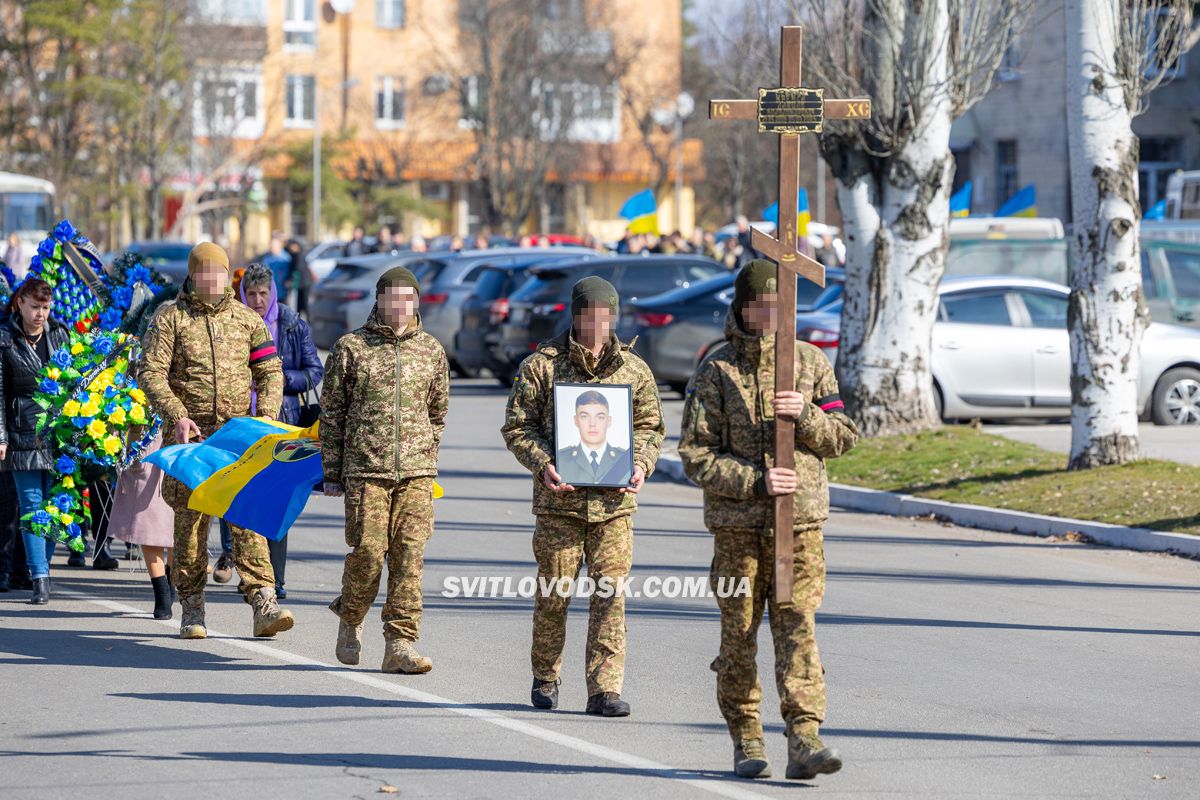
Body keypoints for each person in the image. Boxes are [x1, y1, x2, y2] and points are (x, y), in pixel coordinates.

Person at [678, 259, 858, 782]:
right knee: (738, 633)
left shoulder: (809, 362)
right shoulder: (717, 369)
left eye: (776, 305)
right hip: (738, 531)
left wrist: (806, 413)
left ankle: (805, 735)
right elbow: (695, 454)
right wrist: (755, 481)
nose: (766, 314)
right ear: (740, 306)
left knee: (798, 627)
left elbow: (843, 436)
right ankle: (746, 737)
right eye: (757, 305)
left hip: (799, 527)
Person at [502, 276, 664, 717]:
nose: (598, 323)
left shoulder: (634, 369)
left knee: (611, 596)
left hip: (614, 507)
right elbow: (518, 426)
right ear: (575, 315)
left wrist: (642, 463)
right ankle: (546, 676)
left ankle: (604, 689)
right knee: (555, 593)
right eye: (589, 314)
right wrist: (542, 463)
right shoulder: (543, 365)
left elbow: (650, 427)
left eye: (605, 315)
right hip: (561, 504)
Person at [140, 242, 294, 640]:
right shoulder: (170, 318)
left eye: (219, 272)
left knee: (247, 518)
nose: (212, 279)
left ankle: (263, 601)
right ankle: (192, 608)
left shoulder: (246, 320)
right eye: (204, 272)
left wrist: (266, 416)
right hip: (190, 440)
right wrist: (177, 415)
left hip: (236, 439)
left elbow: (270, 370)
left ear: (228, 275)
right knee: (190, 527)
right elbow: (151, 372)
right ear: (193, 275)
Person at [320, 266, 449, 674]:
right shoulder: (351, 348)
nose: (399, 305)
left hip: (416, 472)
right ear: (378, 301)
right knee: (369, 554)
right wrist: (333, 471)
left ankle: (400, 643)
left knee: (410, 557)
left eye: (406, 298)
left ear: (415, 302)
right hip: (365, 470)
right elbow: (333, 413)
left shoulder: (431, 350)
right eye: (391, 297)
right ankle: (351, 616)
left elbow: (438, 410)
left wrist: (425, 453)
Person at [238, 262, 324, 599]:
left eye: (263, 293)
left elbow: (314, 371)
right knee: (241, 493)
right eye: (252, 294)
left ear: (273, 292)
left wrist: (281, 380)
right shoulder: (234, 322)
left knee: (278, 498)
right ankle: (243, 566)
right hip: (243, 421)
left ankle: (276, 577)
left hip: (283, 422)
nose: (258, 300)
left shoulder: (291, 323)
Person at [0, 277, 71, 604]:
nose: (40, 313)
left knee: (56, 508)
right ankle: (39, 577)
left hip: (59, 432)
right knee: (32, 508)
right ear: (20, 304)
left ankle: (43, 566)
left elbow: (75, 381)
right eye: (34, 307)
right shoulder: (5, 340)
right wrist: (1, 436)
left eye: (45, 307)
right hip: (21, 431)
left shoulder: (60, 334)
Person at [108, 429, 176, 619]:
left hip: (181, 444)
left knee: (179, 527)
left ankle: (171, 580)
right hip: (145, 445)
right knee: (147, 523)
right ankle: (161, 591)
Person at [554, 390, 631, 486]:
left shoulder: (623, 460)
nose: (592, 424)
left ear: (609, 421)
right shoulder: (561, 460)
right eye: (584, 416)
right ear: (576, 420)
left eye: (600, 417)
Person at [262, 237, 292, 303]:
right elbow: (264, 269)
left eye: (274, 247)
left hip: (282, 287)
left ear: (279, 247)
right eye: (271, 247)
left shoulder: (286, 257)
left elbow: (288, 272)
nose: (272, 249)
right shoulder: (267, 257)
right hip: (270, 287)